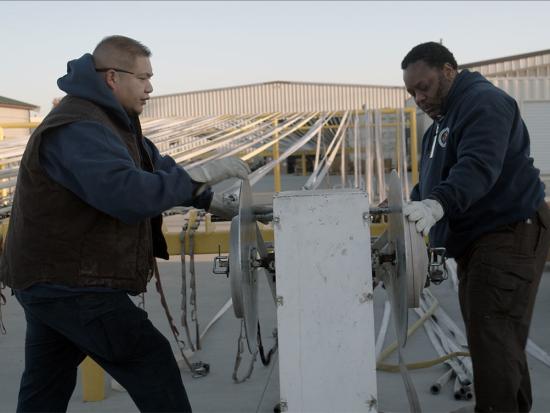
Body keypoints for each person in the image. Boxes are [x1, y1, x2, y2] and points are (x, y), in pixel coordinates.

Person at [0, 35, 261, 413]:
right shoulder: (78, 128)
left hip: (50, 281)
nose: (150, 87)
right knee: (149, 360)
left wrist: (209, 200)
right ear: (112, 77)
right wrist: (204, 172)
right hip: (72, 283)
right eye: (143, 78)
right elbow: (126, 194)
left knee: (46, 385)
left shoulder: (112, 121)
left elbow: (154, 167)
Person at [401, 41, 550, 412]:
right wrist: (406, 210)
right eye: (411, 92)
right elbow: (429, 184)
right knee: (497, 341)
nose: (418, 98)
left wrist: (439, 204)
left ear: (449, 71)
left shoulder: (483, 103)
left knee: (493, 340)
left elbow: (478, 166)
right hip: (481, 242)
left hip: (507, 234)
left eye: (424, 86)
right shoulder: (439, 125)